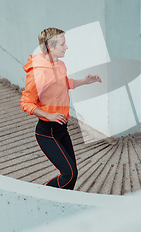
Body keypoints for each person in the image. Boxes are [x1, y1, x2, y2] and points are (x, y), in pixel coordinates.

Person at [20, 27, 101, 189]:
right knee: (68, 174)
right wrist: (48, 115)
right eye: (63, 44)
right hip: (47, 132)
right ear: (50, 47)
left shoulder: (59, 65)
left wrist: (84, 82)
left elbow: (63, 84)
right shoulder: (38, 72)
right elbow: (26, 102)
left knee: (72, 175)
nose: (66, 47)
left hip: (62, 129)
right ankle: (41, 196)